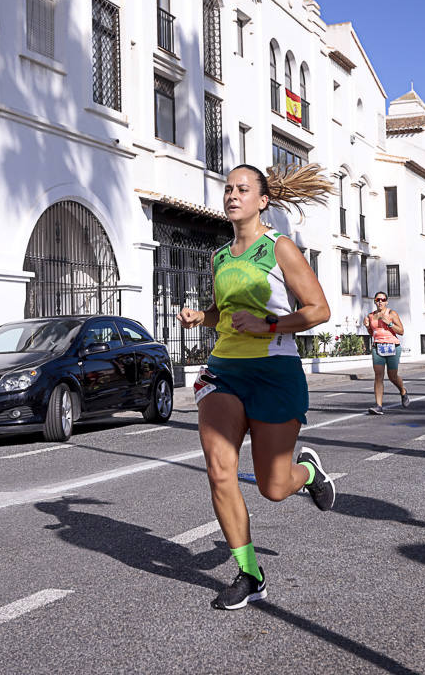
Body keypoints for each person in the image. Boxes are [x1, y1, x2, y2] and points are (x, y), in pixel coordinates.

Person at [178, 163, 337, 611]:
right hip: (225, 369)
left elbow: (318, 310)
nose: (232, 195)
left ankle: (307, 472)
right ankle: (250, 573)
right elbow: (224, 313)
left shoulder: (279, 248)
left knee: (273, 486)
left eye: (242, 189)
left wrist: (270, 325)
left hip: (273, 371)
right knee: (219, 469)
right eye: (228, 188)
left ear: (262, 201)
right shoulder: (221, 256)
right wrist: (201, 317)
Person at [365, 291, 410, 414]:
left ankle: (403, 391)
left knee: (392, 376)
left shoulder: (391, 313)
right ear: (375, 301)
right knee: (378, 376)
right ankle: (379, 406)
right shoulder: (370, 316)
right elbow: (372, 333)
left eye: (383, 299)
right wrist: (368, 327)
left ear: (386, 301)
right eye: (378, 299)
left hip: (392, 346)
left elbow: (401, 331)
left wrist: (389, 323)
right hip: (378, 347)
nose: (380, 302)